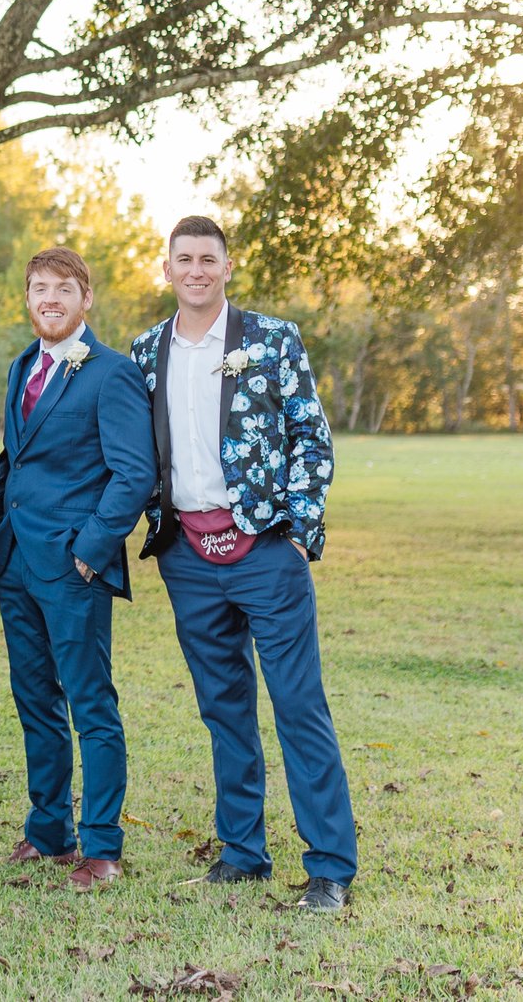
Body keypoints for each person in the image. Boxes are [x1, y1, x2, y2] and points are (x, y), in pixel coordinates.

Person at [132, 215, 356, 914]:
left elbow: (310, 440)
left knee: (297, 704)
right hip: (187, 556)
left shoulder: (271, 339)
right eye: (183, 259)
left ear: (228, 267)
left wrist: (298, 532)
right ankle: (242, 852)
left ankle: (328, 866)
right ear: (166, 269)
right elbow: (134, 451)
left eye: (208, 259)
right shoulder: (144, 351)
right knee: (224, 707)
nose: (196, 269)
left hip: (265, 550)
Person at [0, 245, 156, 891]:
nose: (47, 299)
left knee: (90, 700)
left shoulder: (111, 372)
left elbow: (135, 471)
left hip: (74, 564)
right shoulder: (22, 364)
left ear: (86, 299)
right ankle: (50, 828)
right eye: (37, 289)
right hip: (16, 560)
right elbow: (17, 459)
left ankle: (102, 843)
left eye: (61, 288)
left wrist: (90, 548)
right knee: (34, 698)